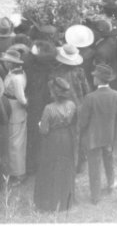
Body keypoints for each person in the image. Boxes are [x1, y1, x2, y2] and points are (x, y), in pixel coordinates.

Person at [78, 63, 117, 204]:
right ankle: (111, 183)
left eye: (94, 77)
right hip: (110, 136)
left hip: (93, 138)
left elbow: (83, 121)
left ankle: (95, 196)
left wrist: (83, 131)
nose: (93, 79)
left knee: (94, 165)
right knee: (109, 160)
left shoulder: (90, 97)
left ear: (98, 80)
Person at [33, 77, 78, 213]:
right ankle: (66, 200)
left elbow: (44, 130)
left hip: (52, 140)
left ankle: (50, 202)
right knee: (65, 167)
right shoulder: (72, 104)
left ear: (54, 92)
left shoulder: (49, 108)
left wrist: (40, 125)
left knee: (50, 168)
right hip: (67, 139)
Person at [1, 50, 28, 181]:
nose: (5, 63)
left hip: (15, 109)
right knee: (14, 142)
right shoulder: (16, 73)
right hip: (11, 107)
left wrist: (26, 105)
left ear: (11, 63)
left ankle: (18, 173)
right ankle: (15, 171)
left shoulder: (16, 78)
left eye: (6, 61)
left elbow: (21, 99)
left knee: (15, 143)